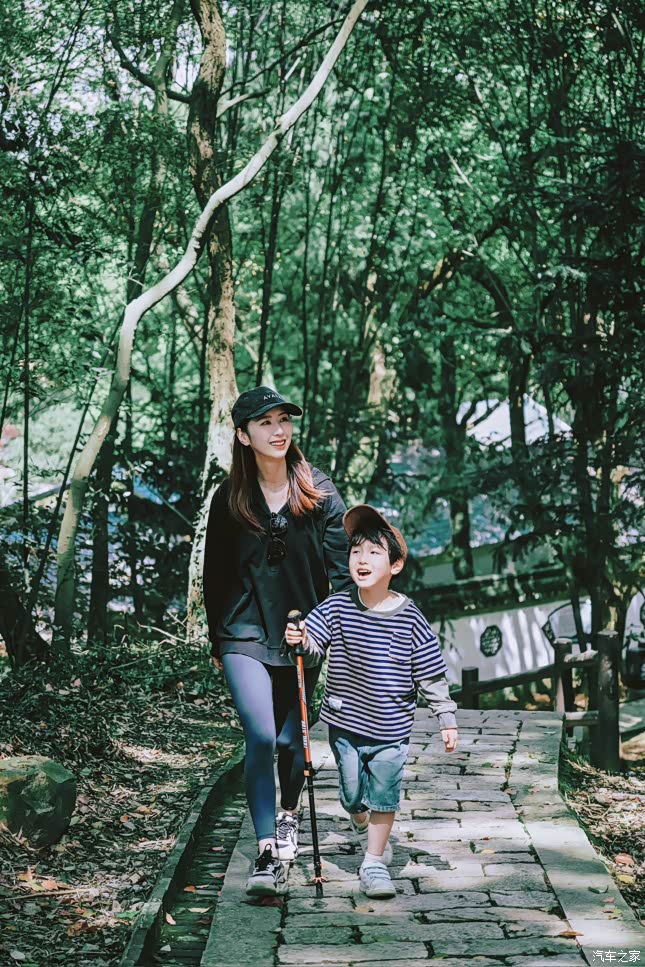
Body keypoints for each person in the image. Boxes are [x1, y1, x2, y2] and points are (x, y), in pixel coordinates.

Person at [203, 386, 351, 898]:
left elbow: (343, 574)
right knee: (262, 736)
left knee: (291, 743)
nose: (278, 430)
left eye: (283, 419)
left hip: (301, 635)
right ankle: (266, 851)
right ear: (243, 436)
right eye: (265, 423)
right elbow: (215, 577)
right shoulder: (229, 499)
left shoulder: (319, 492)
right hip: (242, 633)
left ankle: (288, 814)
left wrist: (321, 629)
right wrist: (219, 642)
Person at [284, 503, 459, 899]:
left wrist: (446, 716)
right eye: (355, 551)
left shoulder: (410, 617)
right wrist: (300, 637)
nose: (361, 560)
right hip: (345, 722)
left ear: (395, 565)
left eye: (373, 552)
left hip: (391, 727)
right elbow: (312, 645)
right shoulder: (338, 605)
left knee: (384, 793)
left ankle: (375, 862)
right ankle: (360, 821)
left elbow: (430, 671)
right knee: (351, 795)